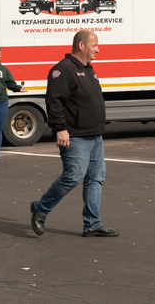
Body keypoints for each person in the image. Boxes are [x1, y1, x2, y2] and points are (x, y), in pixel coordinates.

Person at [30, 30, 118, 237]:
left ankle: (92, 224)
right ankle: (40, 209)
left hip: (95, 136)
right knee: (72, 177)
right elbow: (54, 102)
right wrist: (60, 128)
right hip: (76, 136)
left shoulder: (88, 69)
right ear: (81, 45)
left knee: (95, 179)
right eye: (94, 45)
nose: (98, 49)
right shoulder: (63, 70)